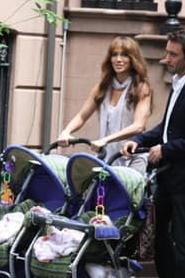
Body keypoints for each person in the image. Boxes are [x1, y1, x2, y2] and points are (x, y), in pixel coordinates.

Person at [121, 29, 185, 278]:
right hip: (169, 176)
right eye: (167, 51)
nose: (165, 58)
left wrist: (166, 150)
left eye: (173, 54)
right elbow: (166, 129)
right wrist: (139, 140)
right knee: (158, 237)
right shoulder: (180, 83)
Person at [57, 36, 152, 175]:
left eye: (124, 55)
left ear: (133, 59)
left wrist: (105, 140)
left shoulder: (141, 88)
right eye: (115, 54)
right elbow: (82, 116)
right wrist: (66, 132)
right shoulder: (102, 87)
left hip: (132, 156)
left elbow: (138, 126)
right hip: (106, 156)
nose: (118, 59)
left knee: (126, 194)